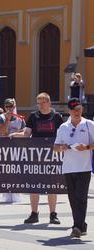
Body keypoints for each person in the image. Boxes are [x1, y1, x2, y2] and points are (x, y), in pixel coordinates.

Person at [10, 92, 63, 224]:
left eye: (42, 103)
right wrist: (16, 134)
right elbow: (27, 133)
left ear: (49, 103)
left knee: (52, 186)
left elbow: (62, 134)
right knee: (34, 185)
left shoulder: (56, 117)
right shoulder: (34, 116)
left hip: (52, 156)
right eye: (38, 103)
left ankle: (53, 214)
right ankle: (34, 213)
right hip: (36, 156)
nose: (40, 106)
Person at [54, 98, 93, 238]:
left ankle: (77, 226)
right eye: (74, 109)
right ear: (69, 111)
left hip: (84, 167)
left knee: (81, 197)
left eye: (79, 109)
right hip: (68, 168)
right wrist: (61, 147)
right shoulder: (64, 127)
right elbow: (55, 147)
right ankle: (81, 225)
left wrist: (87, 147)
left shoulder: (89, 124)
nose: (77, 112)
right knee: (73, 198)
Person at [0, 98, 25, 203]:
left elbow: (25, 133)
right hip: (4, 148)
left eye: (11, 106)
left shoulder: (20, 119)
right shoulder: (1, 118)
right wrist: (8, 120)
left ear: (14, 107)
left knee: (17, 171)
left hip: (17, 147)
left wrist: (16, 134)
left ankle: (16, 194)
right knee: (6, 171)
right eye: (7, 106)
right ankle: (7, 195)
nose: (9, 108)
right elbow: (2, 132)